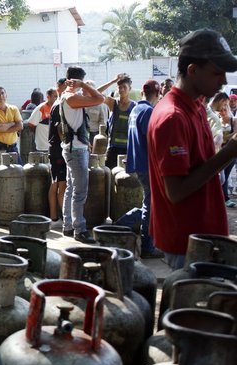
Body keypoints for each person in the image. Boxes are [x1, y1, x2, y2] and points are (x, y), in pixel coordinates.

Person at [148, 28, 237, 270]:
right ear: (192, 70)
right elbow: (175, 191)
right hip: (187, 243)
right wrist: (230, 152)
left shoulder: (196, 105)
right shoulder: (172, 117)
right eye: (217, 73)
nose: (224, 81)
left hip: (202, 238)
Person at [117, 79, 164, 259]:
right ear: (158, 95)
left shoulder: (135, 109)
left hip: (137, 164)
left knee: (149, 204)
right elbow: (153, 141)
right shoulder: (149, 112)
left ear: (143, 92)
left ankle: (119, 225)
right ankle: (146, 247)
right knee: (150, 206)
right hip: (147, 165)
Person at [59, 66, 105, 243]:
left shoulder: (68, 96)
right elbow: (99, 98)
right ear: (78, 80)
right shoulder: (71, 97)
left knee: (71, 189)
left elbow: (96, 94)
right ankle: (80, 229)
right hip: (76, 151)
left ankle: (68, 226)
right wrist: (84, 85)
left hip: (73, 147)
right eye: (82, 81)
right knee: (80, 192)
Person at [98, 74, 136, 169]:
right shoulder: (112, 103)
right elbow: (95, 93)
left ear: (130, 88)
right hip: (113, 148)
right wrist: (112, 81)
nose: (122, 89)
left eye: (124, 87)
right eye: (119, 87)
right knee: (109, 177)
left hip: (128, 149)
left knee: (125, 179)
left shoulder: (135, 106)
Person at [46, 79, 68, 225]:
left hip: (55, 149)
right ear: (59, 88)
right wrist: (66, 145)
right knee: (61, 185)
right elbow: (60, 129)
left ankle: (55, 217)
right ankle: (62, 219)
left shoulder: (57, 104)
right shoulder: (60, 105)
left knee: (57, 184)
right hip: (59, 150)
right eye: (65, 86)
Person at [0, 85, 23, 162]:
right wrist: (12, 123)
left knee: (19, 171)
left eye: (2, 93)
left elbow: (20, 126)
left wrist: (3, 128)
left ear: (6, 95)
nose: (1, 96)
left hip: (13, 147)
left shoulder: (14, 109)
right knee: (0, 172)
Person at [28, 87, 58, 152]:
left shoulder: (59, 107)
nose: (57, 99)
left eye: (58, 96)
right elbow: (31, 124)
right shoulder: (41, 108)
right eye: (55, 96)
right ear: (48, 97)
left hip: (56, 146)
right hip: (43, 147)